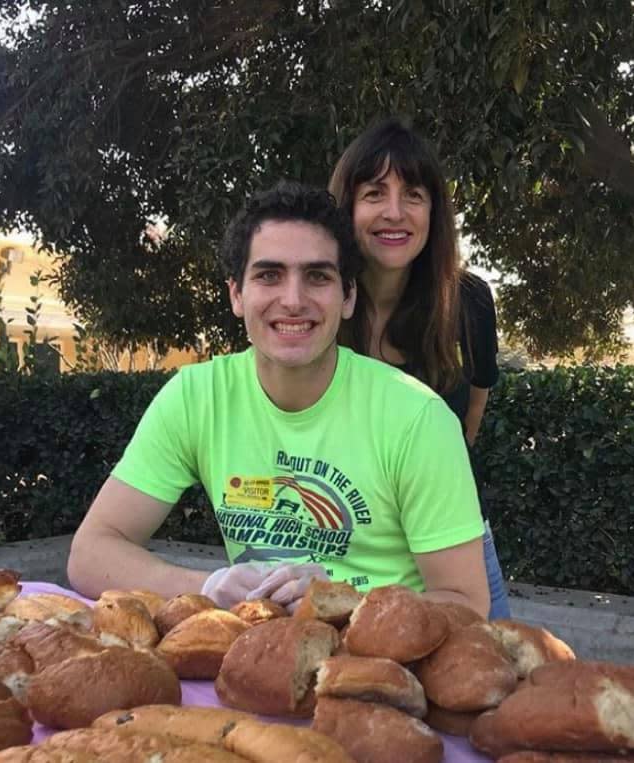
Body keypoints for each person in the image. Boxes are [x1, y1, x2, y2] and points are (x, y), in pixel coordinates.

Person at [67, 181, 489, 616]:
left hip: (381, 670)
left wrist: (347, 601)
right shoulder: (195, 398)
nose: (292, 301)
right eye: (269, 275)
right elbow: (91, 553)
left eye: (317, 277)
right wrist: (208, 587)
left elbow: (466, 605)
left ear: (348, 297)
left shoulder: (417, 418)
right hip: (257, 657)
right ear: (236, 294)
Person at [328, 117, 511, 619]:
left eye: (413, 194)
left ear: (434, 210)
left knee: (484, 679)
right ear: (346, 207)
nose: (394, 212)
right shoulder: (317, 302)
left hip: (457, 539)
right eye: (373, 193)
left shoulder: (467, 300)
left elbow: (473, 409)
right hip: (352, 544)